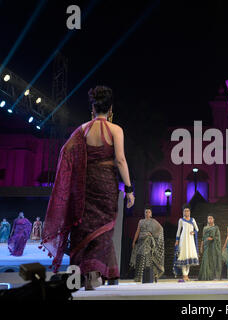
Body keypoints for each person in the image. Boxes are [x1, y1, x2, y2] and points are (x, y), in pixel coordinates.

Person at [41, 85, 135, 290]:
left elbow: (65, 155)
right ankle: (94, 277)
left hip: (83, 187)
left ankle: (80, 278)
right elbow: (120, 160)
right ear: (110, 110)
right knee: (103, 230)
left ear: (92, 109)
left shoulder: (81, 131)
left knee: (82, 228)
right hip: (106, 187)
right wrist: (129, 189)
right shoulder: (116, 130)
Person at [130, 206, 164, 283]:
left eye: (149, 212)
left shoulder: (153, 221)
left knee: (148, 259)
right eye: (146, 212)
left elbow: (160, 229)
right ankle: (139, 277)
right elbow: (137, 231)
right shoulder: (141, 221)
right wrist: (134, 241)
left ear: (151, 213)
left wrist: (152, 234)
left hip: (148, 242)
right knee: (140, 258)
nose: (147, 213)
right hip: (141, 242)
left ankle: (150, 276)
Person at [174, 204, 199, 282]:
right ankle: (184, 275)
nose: (186, 212)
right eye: (185, 211)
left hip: (190, 241)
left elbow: (197, 229)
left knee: (189, 258)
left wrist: (194, 232)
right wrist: (177, 240)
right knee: (183, 256)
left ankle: (186, 275)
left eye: (188, 211)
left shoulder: (193, 220)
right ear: (183, 212)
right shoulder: (181, 220)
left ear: (190, 212)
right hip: (183, 240)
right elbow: (178, 231)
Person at [198, 215, 222, 281]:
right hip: (206, 246)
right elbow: (203, 238)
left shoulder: (216, 228)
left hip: (214, 247)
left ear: (213, 219)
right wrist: (201, 246)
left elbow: (218, 237)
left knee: (213, 261)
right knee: (206, 260)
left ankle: (212, 276)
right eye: (208, 218)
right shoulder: (205, 228)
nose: (210, 220)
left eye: (211, 218)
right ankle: (206, 276)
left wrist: (212, 238)